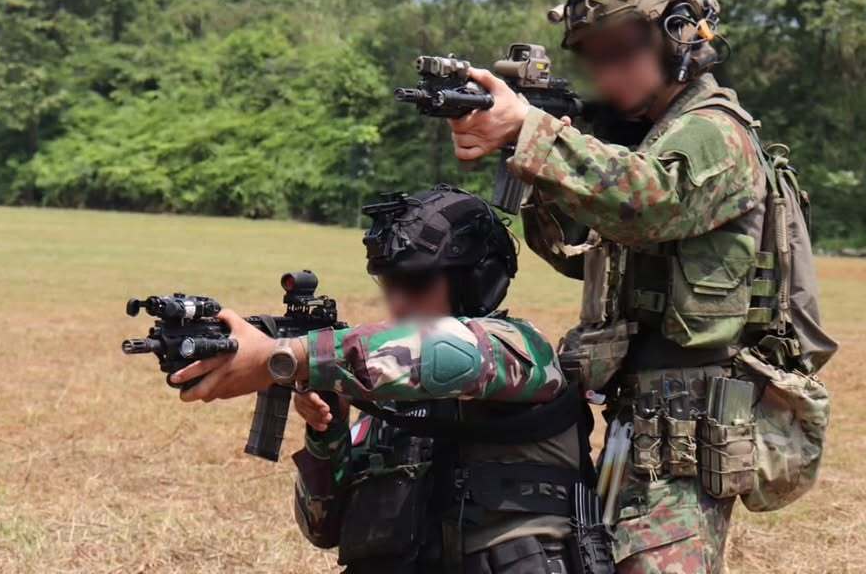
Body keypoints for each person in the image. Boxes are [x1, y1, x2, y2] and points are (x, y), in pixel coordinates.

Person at [446, 0, 776, 573]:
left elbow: (651, 202)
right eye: (593, 56)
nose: (606, 72)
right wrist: (537, 160)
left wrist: (535, 136)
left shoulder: (714, 132)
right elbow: (589, 255)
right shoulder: (653, 138)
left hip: (688, 425)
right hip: (635, 418)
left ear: (678, 35)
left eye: (622, 49)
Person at [171, 185, 611, 574]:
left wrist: (284, 357)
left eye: (416, 283)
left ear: (475, 280)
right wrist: (329, 432)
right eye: (390, 283)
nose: (397, 301)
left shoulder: (518, 349)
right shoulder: (386, 389)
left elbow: (438, 352)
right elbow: (322, 530)